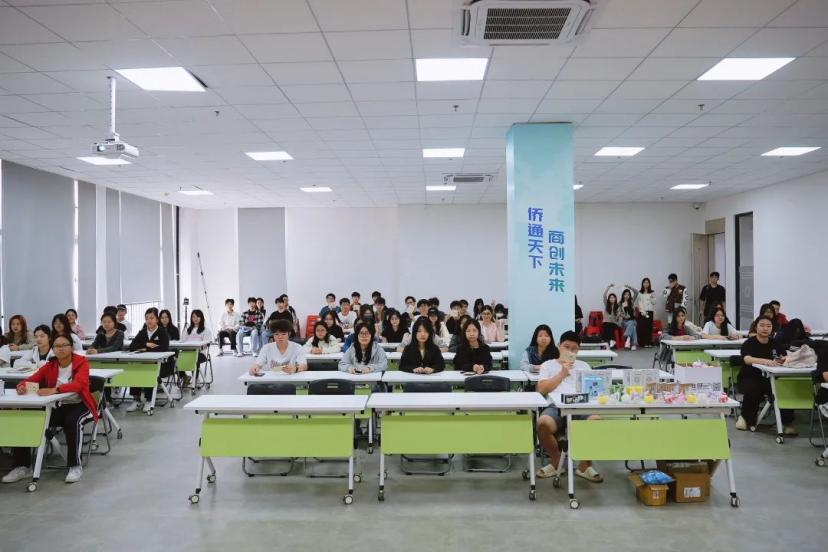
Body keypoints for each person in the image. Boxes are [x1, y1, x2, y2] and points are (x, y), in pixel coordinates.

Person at [1, 334, 98, 485]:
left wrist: (55, 390)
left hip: (80, 405)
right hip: (56, 405)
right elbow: (32, 379)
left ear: (71, 347)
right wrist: (21, 386)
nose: (61, 349)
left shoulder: (81, 362)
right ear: (53, 349)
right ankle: (23, 466)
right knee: (26, 419)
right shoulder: (51, 365)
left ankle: (75, 466)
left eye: (64, 345)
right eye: (57, 346)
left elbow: (79, 384)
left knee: (73, 422)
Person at [535, 331, 602, 482]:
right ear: (559, 346)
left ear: (578, 350)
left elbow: (594, 389)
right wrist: (562, 373)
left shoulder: (584, 366)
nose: (570, 351)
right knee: (543, 423)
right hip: (555, 406)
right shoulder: (548, 365)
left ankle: (584, 465)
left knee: (596, 421)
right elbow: (542, 389)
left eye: (574, 349)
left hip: (581, 406)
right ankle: (556, 460)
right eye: (566, 347)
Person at [737, 316, 795, 433]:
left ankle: (787, 423)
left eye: (769, 326)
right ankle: (745, 418)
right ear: (756, 327)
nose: (765, 328)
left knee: (784, 388)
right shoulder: (749, 343)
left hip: (770, 378)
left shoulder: (775, 343)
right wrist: (765, 361)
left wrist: (784, 359)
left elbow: (784, 356)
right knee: (753, 390)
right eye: (762, 325)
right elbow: (747, 359)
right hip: (750, 377)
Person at [128, 307, 172, 413]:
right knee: (134, 370)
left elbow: (163, 348)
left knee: (148, 370)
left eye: (151, 318)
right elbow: (132, 346)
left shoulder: (162, 332)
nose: (149, 320)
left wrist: (144, 348)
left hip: (160, 364)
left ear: (157, 319)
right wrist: (146, 344)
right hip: (143, 362)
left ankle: (149, 400)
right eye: (147, 318)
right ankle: (136, 399)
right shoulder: (143, 332)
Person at [635, 278, 656, 348]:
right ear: (642, 284)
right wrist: (642, 311)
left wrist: (652, 297)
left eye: (647, 283)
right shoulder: (640, 292)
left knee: (649, 327)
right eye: (644, 282)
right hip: (642, 312)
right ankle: (643, 343)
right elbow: (639, 303)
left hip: (650, 311)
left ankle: (648, 342)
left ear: (649, 284)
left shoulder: (652, 292)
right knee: (642, 327)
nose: (646, 284)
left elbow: (654, 302)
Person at [618, 286, 639, 350]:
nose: (627, 296)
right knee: (633, 327)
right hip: (625, 321)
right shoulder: (620, 303)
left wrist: (629, 287)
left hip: (633, 320)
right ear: (623, 295)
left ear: (630, 296)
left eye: (628, 295)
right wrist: (624, 316)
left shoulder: (631, 301)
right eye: (625, 294)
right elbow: (619, 313)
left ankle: (627, 338)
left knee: (632, 323)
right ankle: (633, 344)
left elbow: (636, 292)